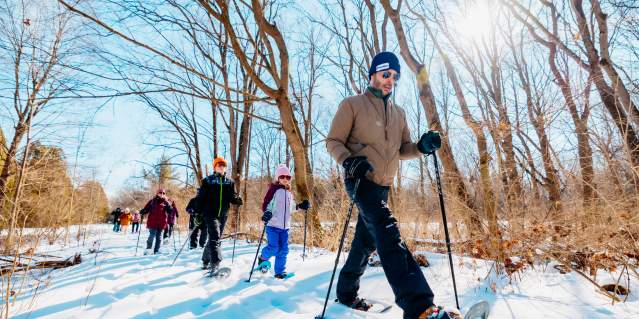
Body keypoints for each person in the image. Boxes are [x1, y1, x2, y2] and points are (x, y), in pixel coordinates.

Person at [326, 51, 457, 319]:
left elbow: (404, 149)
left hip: (383, 187)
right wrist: (348, 162)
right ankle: (420, 307)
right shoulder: (352, 104)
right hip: (360, 180)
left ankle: (346, 293)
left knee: (365, 242)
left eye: (395, 77)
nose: (390, 80)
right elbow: (333, 141)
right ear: (373, 74)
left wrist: (421, 146)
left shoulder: (399, 113)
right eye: (386, 74)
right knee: (388, 233)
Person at [257, 164, 310, 279]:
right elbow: (266, 204)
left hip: (285, 227)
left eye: (288, 177)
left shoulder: (289, 193)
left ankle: (279, 272)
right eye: (282, 176)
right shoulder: (273, 190)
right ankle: (263, 258)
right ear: (277, 177)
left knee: (284, 250)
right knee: (274, 247)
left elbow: (291, 208)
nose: (285, 179)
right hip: (273, 225)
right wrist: (267, 212)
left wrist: (301, 206)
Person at [193, 157, 243, 273]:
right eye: (218, 165)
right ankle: (215, 264)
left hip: (223, 214)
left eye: (223, 165)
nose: (221, 167)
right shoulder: (208, 181)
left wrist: (237, 200)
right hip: (210, 213)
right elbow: (201, 199)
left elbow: (232, 197)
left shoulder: (229, 182)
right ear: (215, 167)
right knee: (215, 238)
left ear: (225, 168)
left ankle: (205, 260)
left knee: (214, 238)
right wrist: (198, 214)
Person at [140, 188, 174, 255]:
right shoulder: (152, 201)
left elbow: (170, 211)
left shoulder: (165, 202)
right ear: (157, 193)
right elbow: (146, 209)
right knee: (151, 236)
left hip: (162, 223)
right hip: (152, 222)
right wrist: (143, 211)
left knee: (159, 238)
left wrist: (170, 208)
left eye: (163, 193)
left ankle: (156, 250)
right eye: (160, 192)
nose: (162, 194)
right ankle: (148, 249)